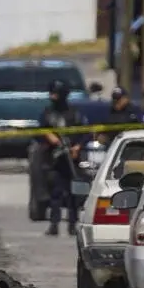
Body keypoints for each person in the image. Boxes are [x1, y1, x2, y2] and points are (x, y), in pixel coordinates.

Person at [37, 79, 87, 236]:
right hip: (54, 160)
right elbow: (40, 129)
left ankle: (72, 224)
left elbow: (85, 132)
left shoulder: (74, 113)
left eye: (55, 94)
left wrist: (77, 147)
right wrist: (50, 137)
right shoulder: (48, 112)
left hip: (71, 159)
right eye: (51, 93)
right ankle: (54, 224)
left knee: (73, 193)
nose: (52, 97)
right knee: (55, 193)